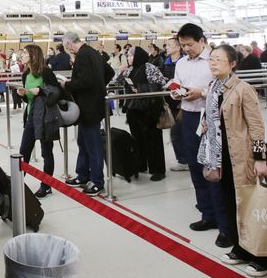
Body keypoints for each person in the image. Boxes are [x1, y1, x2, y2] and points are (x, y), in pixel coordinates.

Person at [200, 45, 267, 277]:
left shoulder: (243, 89)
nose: (213, 64)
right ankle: (241, 248)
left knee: (250, 205)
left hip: (241, 157)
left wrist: (260, 158)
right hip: (220, 158)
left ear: (232, 64)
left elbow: (257, 127)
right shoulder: (213, 87)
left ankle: (264, 257)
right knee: (231, 203)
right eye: (211, 59)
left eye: (219, 60)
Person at [173, 23, 230, 248]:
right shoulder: (181, 63)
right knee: (196, 168)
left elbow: (224, 85)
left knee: (214, 168)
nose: (186, 49)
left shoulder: (214, 60)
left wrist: (202, 92)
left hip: (211, 118)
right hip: (189, 117)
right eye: (183, 45)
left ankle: (225, 223)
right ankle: (207, 214)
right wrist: (176, 91)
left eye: (190, 44)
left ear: (202, 41)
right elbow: (178, 83)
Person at [61, 32, 111, 196]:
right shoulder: (93, 52)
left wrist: (66, 85)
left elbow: (85, 82)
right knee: (83, 142)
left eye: (66, 45)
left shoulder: (82, 55)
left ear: (69, 43)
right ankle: (82, 175)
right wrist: (100, 86)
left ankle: (97, 182)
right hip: (93, 105)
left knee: (92, 145)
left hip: (89, 107)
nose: (67, 49)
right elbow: (109, 72)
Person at [112, 46, 168, 181]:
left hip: (149, 109)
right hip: (133, 109)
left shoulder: (149, 67)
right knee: (137, 138)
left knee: (153, 139)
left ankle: (158, 169)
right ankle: (141, 164)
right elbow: (117, 82)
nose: (128, 58)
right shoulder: (129, 70)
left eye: (130, 56)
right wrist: (121, 71)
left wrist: (141, 89)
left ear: (137, 56)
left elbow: (159, 84)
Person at [17, 45, 62, 198]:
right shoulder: (25, 75)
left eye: (24, 53)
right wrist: (22, 94)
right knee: (24, 151)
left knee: (46, 153)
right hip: (31, 117)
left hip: (46, 119)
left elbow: (56, 93)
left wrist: (42, 91)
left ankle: (46, 185)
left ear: (33, 55)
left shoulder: (46, 72)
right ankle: (17, 184)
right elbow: (29, 99)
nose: (21, 55)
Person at [160, 38, 187, 172]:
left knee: (180, 132)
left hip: (182, 103)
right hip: (170, 102)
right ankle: (182, 159)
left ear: (178, 48)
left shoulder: (184, 63)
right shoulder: (165, 63)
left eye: (170, 45)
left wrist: (182, 102)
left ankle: (185, 160)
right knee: (175, 133)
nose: (166, 47)